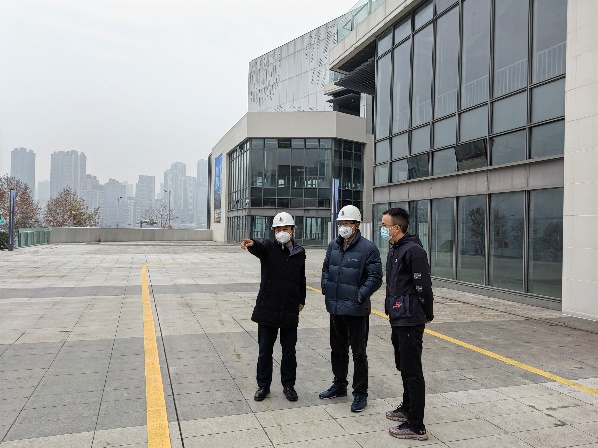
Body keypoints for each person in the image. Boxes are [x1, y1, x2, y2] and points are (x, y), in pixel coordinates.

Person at [320, 205, 382, 412]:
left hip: (356, 310)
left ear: (357, 225)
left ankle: (360, 393)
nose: (343, 227)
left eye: (347, 223)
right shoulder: (333, 246)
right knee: (337, 350)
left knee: (358, 353)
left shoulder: (368, 248)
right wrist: (326, 288)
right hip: (335, 308)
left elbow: (375, 278)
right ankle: (339, 385)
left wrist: (359, 296)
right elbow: (326, 270)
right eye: (341, 223)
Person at [380, 207, 434, 441]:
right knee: (403, 365)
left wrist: (427, 313)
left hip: (410, 319)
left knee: (412, 370)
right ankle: (407, 407)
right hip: (398, 317)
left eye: (385, 225)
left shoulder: (413, 251)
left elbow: (424, 287)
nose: (382, 229)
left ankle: (416, 425)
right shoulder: (395, 249)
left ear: (396, 227)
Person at [240, 211, 306, 402]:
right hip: (268, 307)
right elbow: (259, 247)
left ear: (292, 230)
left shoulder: (299, 252)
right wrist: (252, 243)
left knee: (289, 351)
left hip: (289, 309)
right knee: (265, 350)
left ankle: (289, 385)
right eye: (278, 229)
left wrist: (301, 300)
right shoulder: (269, 248)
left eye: (285, 228)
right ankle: (263, 386)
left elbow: (301, 279)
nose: (281, 232)